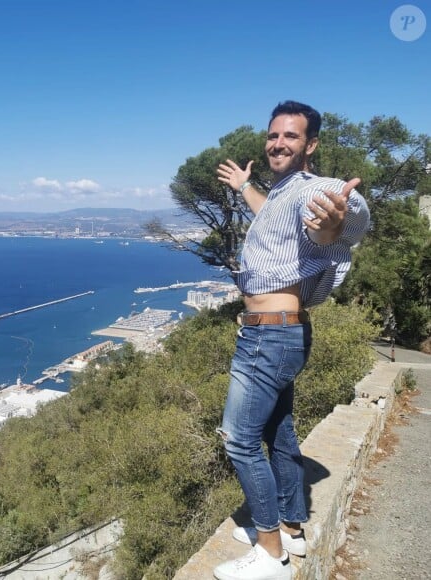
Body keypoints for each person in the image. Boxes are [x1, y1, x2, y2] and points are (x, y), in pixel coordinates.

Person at [213, 100, 370, 580]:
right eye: (273, 135)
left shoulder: (316, 190)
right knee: (278, 433)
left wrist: (337, 225)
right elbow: (276, 219)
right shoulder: (283, 194)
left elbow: (350, 214)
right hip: (282, 334)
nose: (278, 143)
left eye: (291, 136)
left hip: (269, 339)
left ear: (311, 145)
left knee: (239, 441)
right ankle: (292, 529)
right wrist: (245, 188)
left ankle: (270, 555)